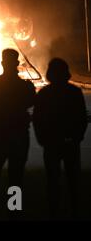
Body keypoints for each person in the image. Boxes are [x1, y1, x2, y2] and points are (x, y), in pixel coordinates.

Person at [0, 48, 36, 220]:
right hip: (19, 135)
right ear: (17, 64)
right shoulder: (26, 86)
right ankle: (14, 212)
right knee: (16, 178)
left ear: (2, 63)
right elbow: (30, 103)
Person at [33, 58, 87, 219]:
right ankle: (74, 211)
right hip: (69, 143)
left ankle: (54, 211)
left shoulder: (44, 93)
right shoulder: (74, 92)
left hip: (52, 143)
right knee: (73, 180)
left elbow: (37, 119)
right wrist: (77, 138)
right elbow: (82, 118)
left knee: (53, 180)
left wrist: (42, 139)